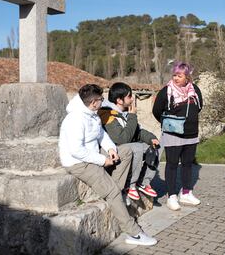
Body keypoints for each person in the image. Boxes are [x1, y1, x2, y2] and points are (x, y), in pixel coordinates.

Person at [59, 84, 157, 246]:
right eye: (101, 100)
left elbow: (101, 134)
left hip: (92, 155)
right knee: (112, 192)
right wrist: (102, 160)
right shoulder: (75, 120)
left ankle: (115, 193)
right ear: (93, 103)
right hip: (78, 162)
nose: (103, 102)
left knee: (124, 151)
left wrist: (111, 149)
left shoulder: (92, 113)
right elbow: (76, 151)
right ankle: (134, 234)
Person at [152, 61, 203, 211]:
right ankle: (172, 195)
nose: (175, 78)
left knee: (187, 164)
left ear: (187, 77)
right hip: (172, 133)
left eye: (179, 75)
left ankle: (186, 193)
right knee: (172, 164)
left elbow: (199, 107)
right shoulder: (166, 91)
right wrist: (168, 123)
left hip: (191, 133)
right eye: (174, 75)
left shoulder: (195, 90)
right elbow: (156, 110)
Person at [98, 82, 161, 202]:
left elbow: (137, 131)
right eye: (129, 96)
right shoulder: (107, 115)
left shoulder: (124, 113)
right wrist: (132, 116)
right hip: (113, 151)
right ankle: (130, 185)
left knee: (153, 148)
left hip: (125, 147)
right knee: (137, 147)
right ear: (119, 100)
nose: (132, 99)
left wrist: (151, 138)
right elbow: (123, 139)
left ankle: (143, 182)